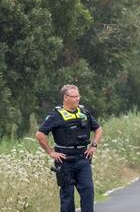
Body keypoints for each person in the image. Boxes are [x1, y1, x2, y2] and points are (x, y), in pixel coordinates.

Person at [35, 84, 103, 212]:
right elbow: (39, 134)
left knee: (88, 192)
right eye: (74, 96)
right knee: (67, 198)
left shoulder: (84, 112)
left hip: (83, 159)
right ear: (66, 98)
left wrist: (93, 145)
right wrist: (50, 152)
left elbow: (98, 129)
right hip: (64, 162)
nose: (77, 99)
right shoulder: (56, 115)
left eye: (78, 96)